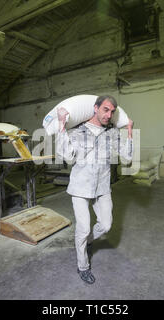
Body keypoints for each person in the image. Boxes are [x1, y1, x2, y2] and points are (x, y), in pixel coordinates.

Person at [55, 95, 134, 284]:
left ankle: (88, 241)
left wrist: (129, 130)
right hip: (80, 186)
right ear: (95, 108)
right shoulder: (77, 131)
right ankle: (82, 266)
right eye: (105, 109)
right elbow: (65, 155)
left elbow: (127, 157)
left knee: (106, 225)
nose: (109, 115)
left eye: (112, 112)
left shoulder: (112, 133)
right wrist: (61, 126)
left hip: (102, 186)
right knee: (82, 228)